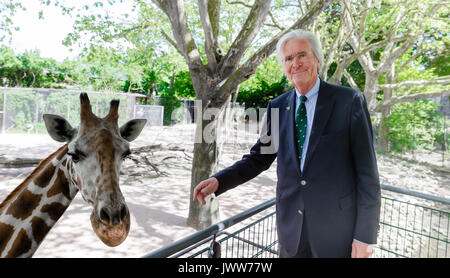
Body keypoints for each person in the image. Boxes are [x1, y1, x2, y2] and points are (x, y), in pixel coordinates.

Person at [193, 29, 381, 258]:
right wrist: (219, 180)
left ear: (317, 60)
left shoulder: (349, 101)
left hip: (337, 232)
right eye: (288, 59)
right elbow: (259, 158)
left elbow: (368, 175)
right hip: (291, 229)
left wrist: (365, 236)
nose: (296, 64)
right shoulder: (277, 107)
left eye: (302, 55)